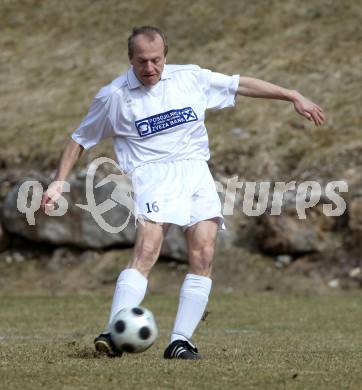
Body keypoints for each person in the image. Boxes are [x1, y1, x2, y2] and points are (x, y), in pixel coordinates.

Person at [41, 26, 326, 360]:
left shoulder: (190, 78)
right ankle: (113, 332)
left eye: (156, 60)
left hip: (195, 170)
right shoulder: (114, 96)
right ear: (130, 59)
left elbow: (240, 84)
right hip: (152, 173)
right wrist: (59, 180)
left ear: (166, 55)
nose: (150, 68)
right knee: (148, 249)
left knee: (203, 255)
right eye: (142, 61)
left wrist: (292, 94)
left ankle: (180, 341)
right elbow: (79, 139)